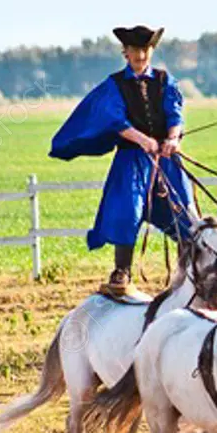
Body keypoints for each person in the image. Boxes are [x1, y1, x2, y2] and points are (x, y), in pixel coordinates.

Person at [49, 25, 195, 294]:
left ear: (151, 51)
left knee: (183, 209)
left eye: (145, 49)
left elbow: (175, 115)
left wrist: (173, 139)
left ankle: (192, 269)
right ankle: (122, 272)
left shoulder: (165, 81)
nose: (141, 54)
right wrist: (143, 140)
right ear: (125, 53)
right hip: (131, 160)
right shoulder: (114, 85)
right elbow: (116, 120)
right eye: (135, 50)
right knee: (127, 210)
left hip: (165, 159)